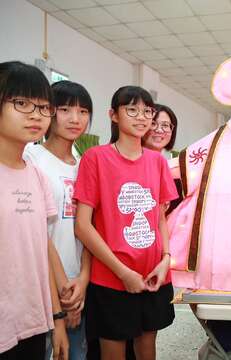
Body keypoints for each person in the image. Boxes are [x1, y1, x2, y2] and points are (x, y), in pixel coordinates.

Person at [74, 86, 177, 360]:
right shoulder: (96, 158)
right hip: (111, 278)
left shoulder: (157, 162)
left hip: (154, 274)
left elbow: (160, 220)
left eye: (147, 111)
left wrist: (166, 258)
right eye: (132, 109)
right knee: (113, 351)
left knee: (147, 348)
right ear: (114, 115)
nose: (141, 117)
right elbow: (83, 226)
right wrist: (123, 273)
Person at [0, 61, 69, 359]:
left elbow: (42, 247)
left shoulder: (36, 174)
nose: (35, 115)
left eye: (43, 107)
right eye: (21, 103)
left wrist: (57, 319)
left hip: (32, 323)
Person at [24, 80, 93, 360]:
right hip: (41, 286)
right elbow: (38, 231)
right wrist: (64, 289)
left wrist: (83, 281)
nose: (75, 119)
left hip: (77, 286)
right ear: (49, 112)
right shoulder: (31, 158)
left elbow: (89, 228)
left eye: (83, 111)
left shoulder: (84, 162)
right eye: (64, 109)